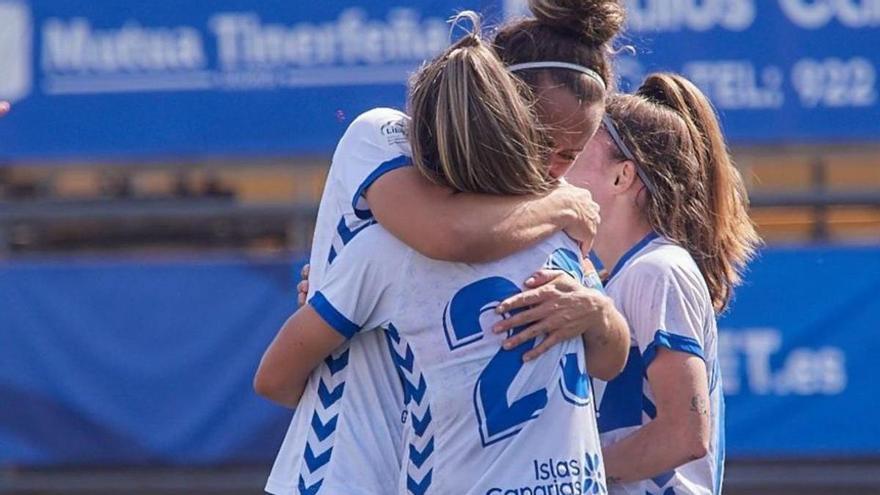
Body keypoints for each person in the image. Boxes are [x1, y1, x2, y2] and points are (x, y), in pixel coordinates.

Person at [262, 2, 630, 494]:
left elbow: (609, 356)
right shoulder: (385, 146)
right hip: (338, 472)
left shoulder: (540, 235)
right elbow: (448, 236)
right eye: (541, 143)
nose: (551, 169)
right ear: (500, 113)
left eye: (570, 156)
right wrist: (565, 205)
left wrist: (596, 311)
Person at [492, 73, 761, 494]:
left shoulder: (660, 269)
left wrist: (573, 473)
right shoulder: (616, 276)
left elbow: (685, 435)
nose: (557, 172)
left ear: (622, 177)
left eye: (577, 154)